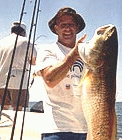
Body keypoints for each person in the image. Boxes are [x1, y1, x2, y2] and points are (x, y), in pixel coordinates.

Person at [36, 7, 88, 140]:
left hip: (86, 128)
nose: (67, 29)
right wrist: (73, 55)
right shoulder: (47, 50)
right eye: (63, 25)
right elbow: (50, 79)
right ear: (56, 28)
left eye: (71, 25)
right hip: (56, 129)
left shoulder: (87, 54)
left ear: (77, 27)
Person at [0, 21, 37, 111]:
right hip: (19, 82)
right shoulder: (27, 42)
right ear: (23, 32)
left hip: (2, 81)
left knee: (4, 108)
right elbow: (34, 62)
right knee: (18, 109)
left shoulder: (1, 42)